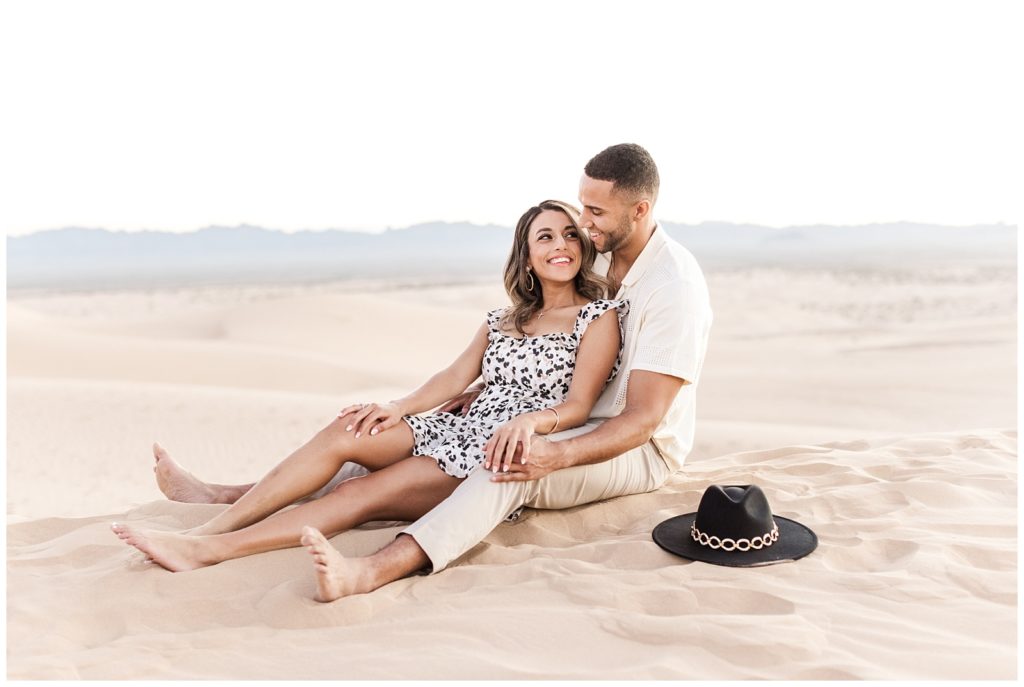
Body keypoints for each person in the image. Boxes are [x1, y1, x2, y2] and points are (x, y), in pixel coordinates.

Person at [111, 200, 627, 573]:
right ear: (528, 254)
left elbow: (579, 405)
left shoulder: (595, 317)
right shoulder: (504, 318)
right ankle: (216, 514)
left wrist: (531, 421)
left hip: (491, 452)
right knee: (350, 428)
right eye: (545, 237)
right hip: (455, 424)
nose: (560, 245)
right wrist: (396, 408)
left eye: (567, 235)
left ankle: (206, 547)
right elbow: (454, 378)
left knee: (362, 489)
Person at [296, 143, 713, 602]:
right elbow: (550, 334)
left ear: (639, 210)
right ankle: (247, 495)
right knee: (415, 438)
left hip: (638, 448)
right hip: (565, 415)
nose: (582, 224)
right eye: (582, 207)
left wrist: (558, 455)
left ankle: (373, 569)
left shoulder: (675, 288)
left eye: (595, 211)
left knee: (508, 465)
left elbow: (642, 421)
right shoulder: (597, 250)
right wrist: (492, 386)